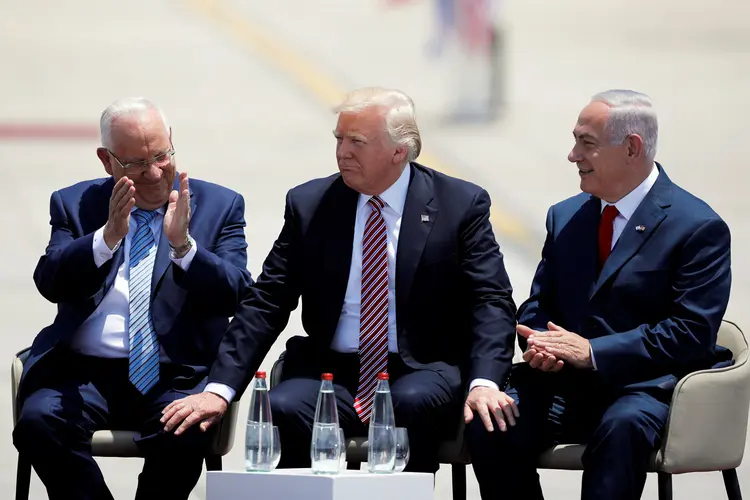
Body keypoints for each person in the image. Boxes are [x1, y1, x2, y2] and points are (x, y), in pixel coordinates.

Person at [161, 87, 518, 474]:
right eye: (339, 138)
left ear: (400, 151)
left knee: (408, 403)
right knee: (283, 406)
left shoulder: (458, 204)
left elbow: (492, 300)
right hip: (333, 370)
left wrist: (485, 381)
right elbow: (267, 302)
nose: (342, 152)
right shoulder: (311, 204)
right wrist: (220, 390)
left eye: (357, 142)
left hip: (422, 368)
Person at [465, 89, 733, 500]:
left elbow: (691, 332)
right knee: (493, 420)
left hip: (642, 388)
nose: (573, 155)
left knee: (622, 428)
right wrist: (539, 343)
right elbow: (540, 303)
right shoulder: (567, 215)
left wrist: (592, 352)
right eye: (575, 141)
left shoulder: (697, 227)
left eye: (586, 143)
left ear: (631, 147)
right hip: (562, 385)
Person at [12, 97, 253, 500]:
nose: (155, 172)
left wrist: (184, 248)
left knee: (185, 427)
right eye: (137, 164)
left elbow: (238, 295)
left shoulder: (219, 204)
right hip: (83, 372)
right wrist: (105, 238)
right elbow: (50, 281)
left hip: (172, 372)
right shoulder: (76, 203)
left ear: (172, 141)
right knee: (38, 423)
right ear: (107, 161)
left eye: (162, 155)